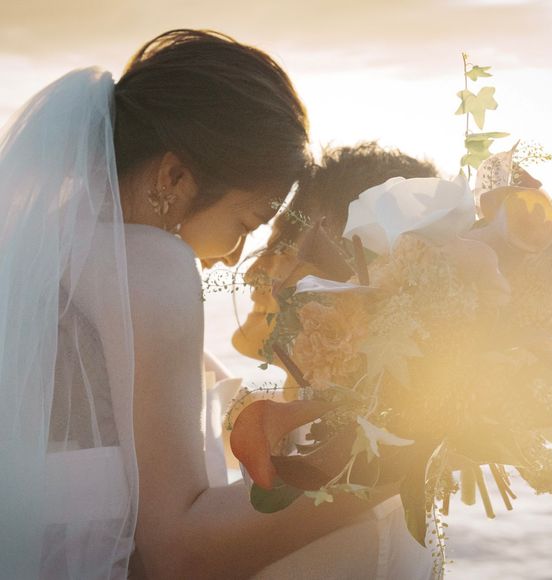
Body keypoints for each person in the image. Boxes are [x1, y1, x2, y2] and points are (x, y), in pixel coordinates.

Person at [0, 30, 404, 580]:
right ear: (173, 177)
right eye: (245, 223)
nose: (234, 257)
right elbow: (177, 552)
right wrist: (399, 453)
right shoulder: (155, 262)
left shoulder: (51, 257)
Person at [232, 143, 438, 578]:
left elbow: (182, 558)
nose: (252, 272)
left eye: (285, 247)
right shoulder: (322, 438)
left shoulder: (351, 471)